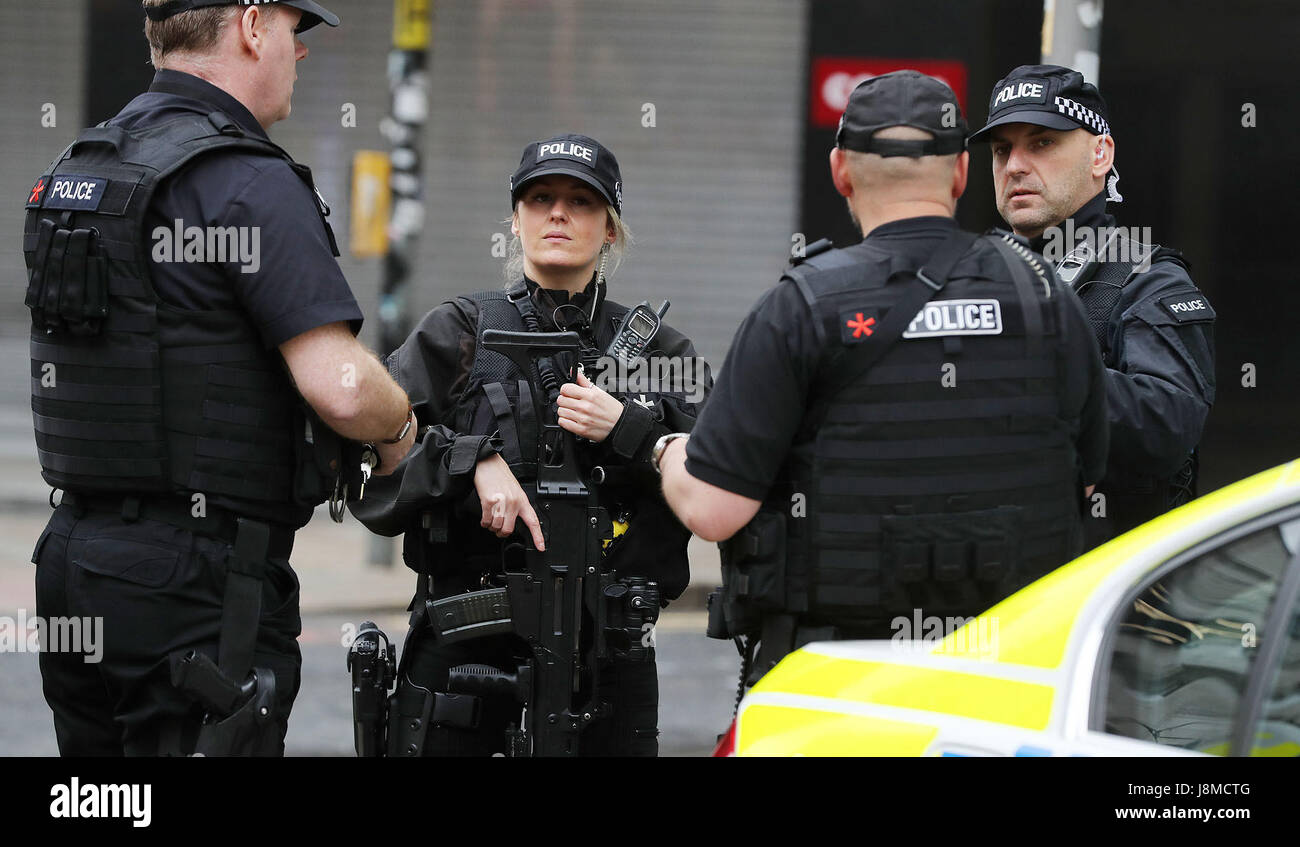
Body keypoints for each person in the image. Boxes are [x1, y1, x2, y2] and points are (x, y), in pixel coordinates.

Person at [24, 0, 417, 756]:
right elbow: (339, 385)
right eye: (292, 29)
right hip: (195, 580)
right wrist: (402, 427)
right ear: (249, 25)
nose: (299, 53)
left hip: (73, 556)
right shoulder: (244, 180)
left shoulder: (83, 166)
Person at [657, 70, 1108, 679]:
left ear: (841, 170)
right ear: (961, 172)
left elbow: (713, 510)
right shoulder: (1043, 292)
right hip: (1014, 681)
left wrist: (664, 449)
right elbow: (1080, 485)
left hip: (840, 685)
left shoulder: (800, 306)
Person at [351, 133, 708, 756]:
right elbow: (367, 442)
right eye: (540, 198)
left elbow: (716, 488)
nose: (559, 214)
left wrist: (629, 429)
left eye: (582, 201)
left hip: (608, 658)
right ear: (515, 221)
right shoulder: (459, 330)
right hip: (464, 650)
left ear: (611, 229)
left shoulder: (660, 354)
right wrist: (470, 460)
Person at [969, 64, 1215, 549]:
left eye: (1041, 143)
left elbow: (1171, 423)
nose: (1015, 165)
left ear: (1100, 154)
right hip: (977, 580)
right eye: (1002, 150)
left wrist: (1033, 372)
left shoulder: (1145, 275)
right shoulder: (965, 273)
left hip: (1098, 594)